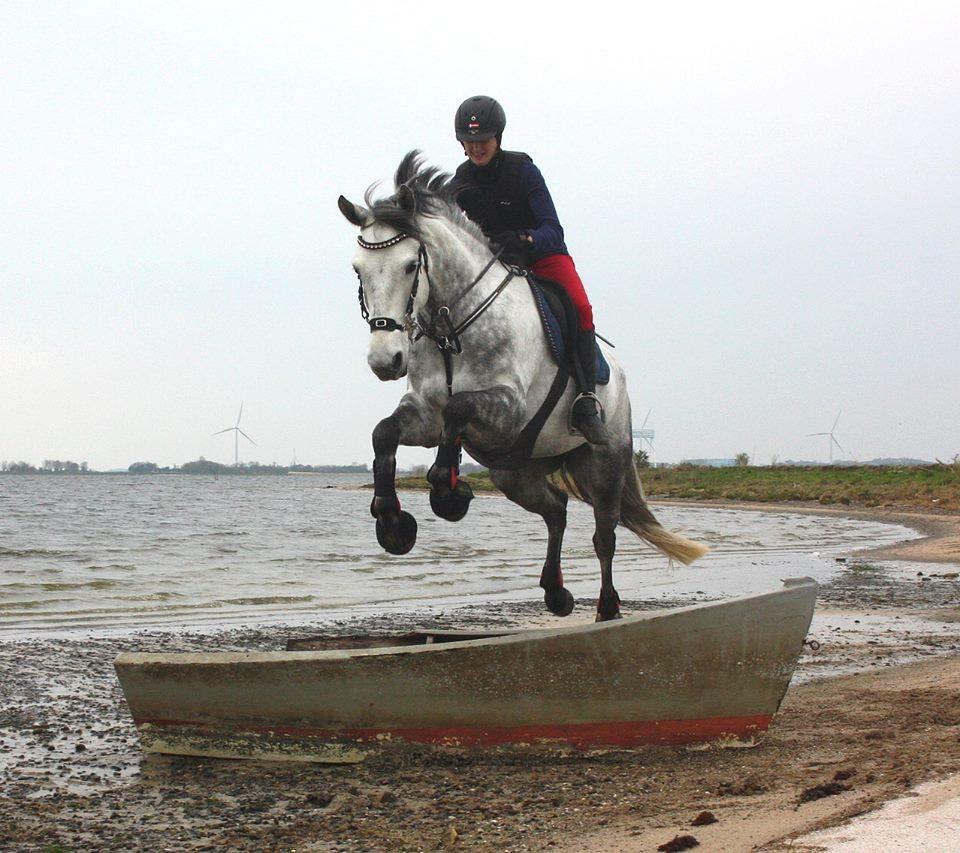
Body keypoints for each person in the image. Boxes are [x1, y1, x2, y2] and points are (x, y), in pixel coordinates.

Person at [448, 95, 609, 445]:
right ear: (461, 143)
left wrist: (523, 238)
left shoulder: (523, 170)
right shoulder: (460, 182)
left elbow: (554, 230)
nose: (477, 148)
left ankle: (585, 401)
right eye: (470, 141)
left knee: (580, 307)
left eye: (483, 140)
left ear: (498, 138)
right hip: (497, 264)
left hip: (542, 256)